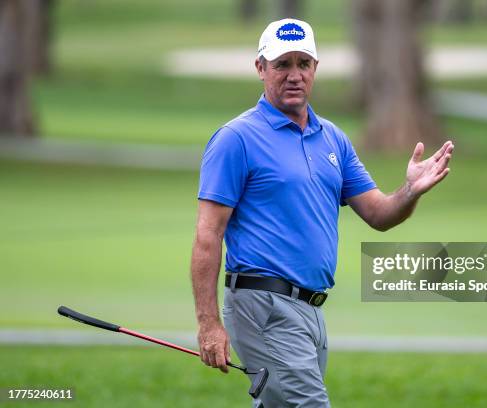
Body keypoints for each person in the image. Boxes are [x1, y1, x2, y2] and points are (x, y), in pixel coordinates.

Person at [191, 18, 453, 407]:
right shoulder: (236, 139)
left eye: (303, 63)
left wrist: (410, 191)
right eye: (282, 64)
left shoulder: (332, 138)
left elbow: (379, 214)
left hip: (311, 310)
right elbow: (207, 235)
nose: (294, 75)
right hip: (262, 306)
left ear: (315, 68)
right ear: (261, 68)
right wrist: (208, 324)